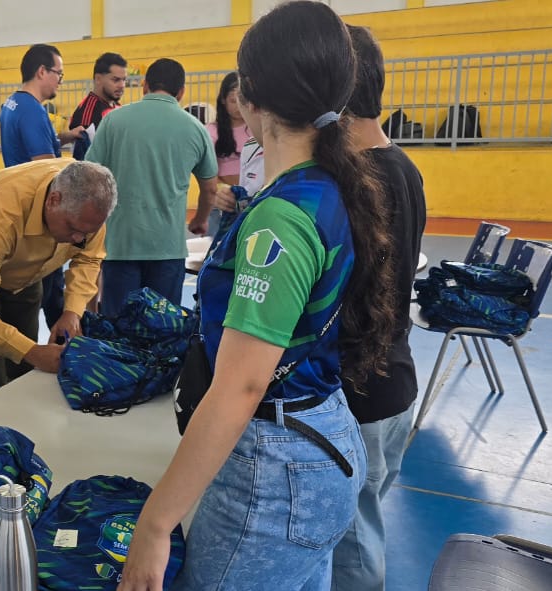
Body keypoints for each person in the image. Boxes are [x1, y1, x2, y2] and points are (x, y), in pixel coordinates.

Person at [117, 3, 398, 590]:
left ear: (249, 98)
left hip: (276, 471)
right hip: (321, 434)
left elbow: (243, 385)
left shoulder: (283, 218)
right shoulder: (330, 187)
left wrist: (155, 524)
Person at [330, 25, 427, 591]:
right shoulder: (402, 166)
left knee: (353, 546)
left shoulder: (359, 178)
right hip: (394, 383)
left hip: (363, 394)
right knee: (361, 526)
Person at [0, 159, 116, 399]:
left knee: (24, 368)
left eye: (87, 234)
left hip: (30, 269)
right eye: (72, 228)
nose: (78, 239)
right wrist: (33, 352)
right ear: (53, 200)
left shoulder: (88, 210)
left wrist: (72, 313)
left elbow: (87, 259)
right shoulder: (0, 211)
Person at [85, 58, 218, 315]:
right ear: (181, 92)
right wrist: (200, 220)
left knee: (118, 330)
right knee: (162, 331)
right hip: (167, 249)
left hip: (120, 245)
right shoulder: (195, 128)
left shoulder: (114, 121)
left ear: (144, 86)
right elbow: (210, 188)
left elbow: (90, 175)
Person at [0, 43, 88, 333]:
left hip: (21, 207)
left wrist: (64, 137)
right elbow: (47, 170)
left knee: (45, 294)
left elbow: (32, 146)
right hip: (37, 214)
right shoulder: (33, 111)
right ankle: (63, 347)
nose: (60, 82)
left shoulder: (12, 104)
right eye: (58, 74)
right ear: (41, 71)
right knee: (48, 293)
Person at [205, 72, 254, 237]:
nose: (239, 106)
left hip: (252, 200)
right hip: (221, 202)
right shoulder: (211, 131)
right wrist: (220, 189)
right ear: (223, 100)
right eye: (233, 101)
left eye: (243, 100)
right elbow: (205, 170)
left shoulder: (257, 129)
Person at [69, 52, 126, 161]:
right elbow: (85, 160)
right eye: (116, 80)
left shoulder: (117, 106)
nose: (122, 85)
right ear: (98, 79)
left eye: (124, 80)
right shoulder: (87, 111)